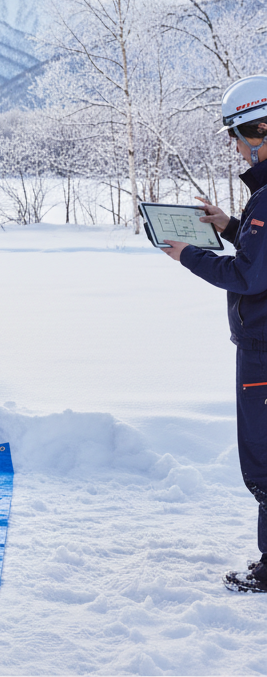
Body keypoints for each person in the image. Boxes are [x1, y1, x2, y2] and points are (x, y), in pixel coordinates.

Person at [161, 75, 267, 593]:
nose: (239, 150)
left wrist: (190, 254)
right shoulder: (263, 200)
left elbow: (248, 274)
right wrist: (228, 225)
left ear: (261, 131)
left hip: (264, 353)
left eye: (239, 137)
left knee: (264, 463)